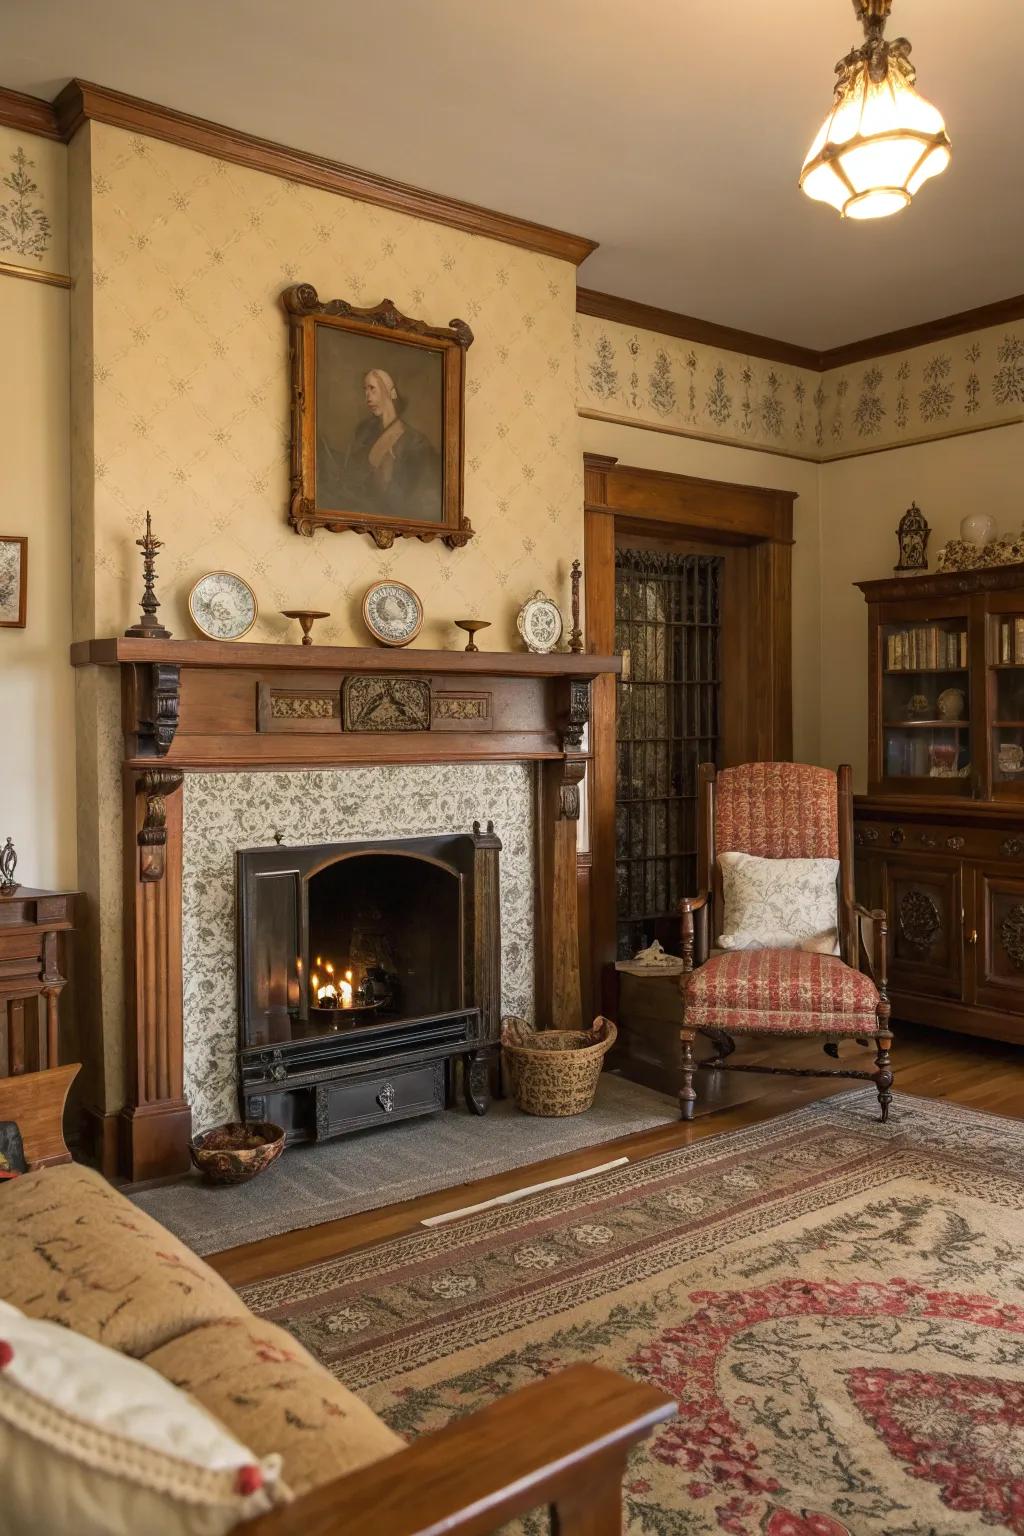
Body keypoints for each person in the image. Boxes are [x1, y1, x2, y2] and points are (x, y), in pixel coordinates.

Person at [318, 367, 442, 522]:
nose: (367, 397)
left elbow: (413, 497)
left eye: (372, 389)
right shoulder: (364, 432)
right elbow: (352, 472)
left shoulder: (413, 440)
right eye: (365, 390)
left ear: (389, 392)